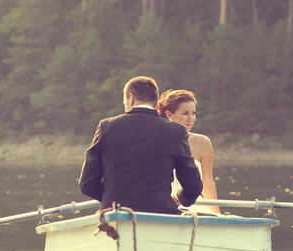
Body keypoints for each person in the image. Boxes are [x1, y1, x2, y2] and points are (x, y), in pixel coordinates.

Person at [79, 76, 203, 215]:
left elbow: (87, 183)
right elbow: (193, 187)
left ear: (131, 98)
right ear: (156, 103)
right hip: (160, 213)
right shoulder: (175, 131)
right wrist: (177, 200)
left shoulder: (106, 127)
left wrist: (114, 200)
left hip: (114, 215)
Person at [157, 89, 220, 214]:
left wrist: (217, 213)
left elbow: (207, 182)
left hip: (195, 206)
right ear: (169, 114)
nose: (190, 118)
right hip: (162, 206)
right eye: (185, 113)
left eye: (193, 113)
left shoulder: (203, 142)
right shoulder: (156, 139)